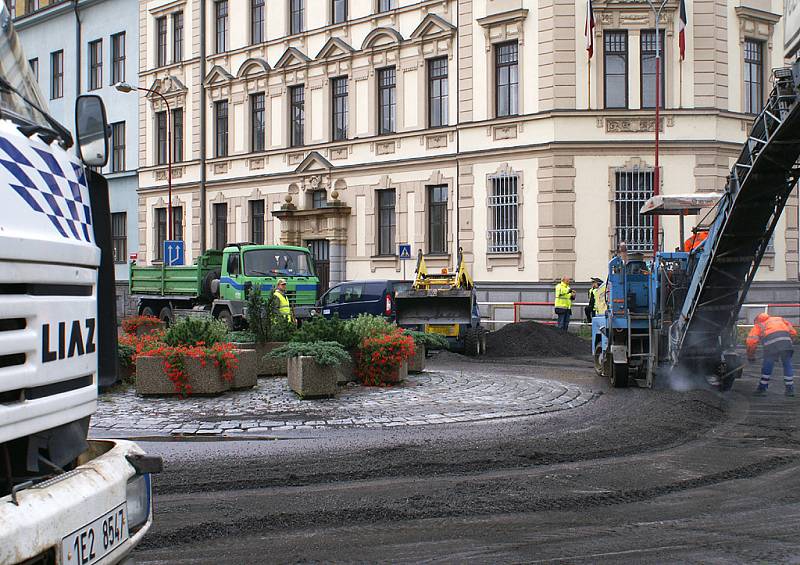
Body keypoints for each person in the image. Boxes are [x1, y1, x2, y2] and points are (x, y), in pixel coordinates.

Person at [746, 313, 797, 396]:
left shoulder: (759, 324)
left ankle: (762, 389)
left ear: (756, 320)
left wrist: (750, 356)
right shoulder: (780, 319)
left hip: (771, 345)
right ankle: (790, 389)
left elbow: (751, 342)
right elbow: (793, 332)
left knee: (768, 364)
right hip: (786, 343)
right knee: (787, 364)